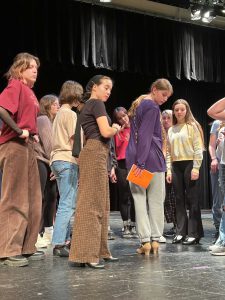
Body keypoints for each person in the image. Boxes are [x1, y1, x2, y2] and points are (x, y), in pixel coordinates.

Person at [69, 75, 121, 269]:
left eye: (110, 89)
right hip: (95, 152)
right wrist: (115, 127)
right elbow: (106, 132)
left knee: (102, 203)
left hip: (98, 153)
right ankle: (88, 254)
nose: (108, 91)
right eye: (105, 87)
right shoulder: (96, 103)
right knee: (91, 204)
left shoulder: (88, 105)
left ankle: (101, 251)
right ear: (94, 87)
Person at [0, 52, 44, 267]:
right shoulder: (15, 85)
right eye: (30, 66)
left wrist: (32, 134)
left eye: (36, 67)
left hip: (28, 147)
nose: (35, 70)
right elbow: (2, 109)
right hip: (14, 146)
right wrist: (19, 131)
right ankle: (8, 250)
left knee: (34, 199)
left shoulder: (30, 91)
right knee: (15, 197)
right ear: (19, 69)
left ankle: (27, 246)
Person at [126, 78, 173, 256]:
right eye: (163, 94)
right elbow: (145, 136)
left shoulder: (139, 105)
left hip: (138, 159)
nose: (165, 99)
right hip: (149, 160)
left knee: (139, 200)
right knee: (155, 202)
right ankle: (154, 240)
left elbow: (137, 136)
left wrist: (137, 162)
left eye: (167, 96)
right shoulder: (152, 107)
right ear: (154, 90)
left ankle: (145, 241)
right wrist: (141, 163)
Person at [50, 80, 83, 257]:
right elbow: (73, 141)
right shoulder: (70, 115)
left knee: (66, 201)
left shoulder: (58, 115)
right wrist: (82, 161)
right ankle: (59, 244)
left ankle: (64, 240)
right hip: (67, 159)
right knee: (67, 203)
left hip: (57, 160)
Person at [167, 99, 204, 245]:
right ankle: (181, 231)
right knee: (179, 199)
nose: (179, 112)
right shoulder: (171, 129)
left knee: (192, 199)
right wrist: (168, 170)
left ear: (186, 110)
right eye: (176, 110)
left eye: (182, 109)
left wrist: (196, 167)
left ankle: (194, 233)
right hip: (176, 166)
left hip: (190, 163)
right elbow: (168, 152)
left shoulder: (192, 126)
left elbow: (198, 148)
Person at [34, 95, 60, 248]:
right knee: (41, 198)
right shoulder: (43, 119)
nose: (58, 106)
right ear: (47, 105)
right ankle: (36, 235)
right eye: (55, 104)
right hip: (41, 160)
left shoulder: (51, 121)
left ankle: (49, 232)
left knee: (51, 197)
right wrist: (55, 165)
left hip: (48, 162)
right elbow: (49, 145)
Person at [112, 106, 137, 238]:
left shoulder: (135, 128)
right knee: (124, 195)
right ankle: (126, 225)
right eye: (120, 118)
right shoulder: (116, 131)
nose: (123, 119)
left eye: (124, 115)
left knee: (135, 195)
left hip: (135, 164)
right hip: (122, 165)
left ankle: (133, 224)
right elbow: (113, 151)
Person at [161, 109, 176, 238]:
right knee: (166, 198)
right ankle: (173, 224)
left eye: (168, 118)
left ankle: (179, 225)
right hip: (161, 168)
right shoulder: (160, 133)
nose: (166, 121)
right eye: (164, 118)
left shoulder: (175, 132)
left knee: (175, 197)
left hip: (174, 168)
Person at [208, 120, 223, 244]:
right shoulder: (217, 123)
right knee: (218, 200)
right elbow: (211, 145)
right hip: (219, 163)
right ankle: (219, 229)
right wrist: (213, 159)